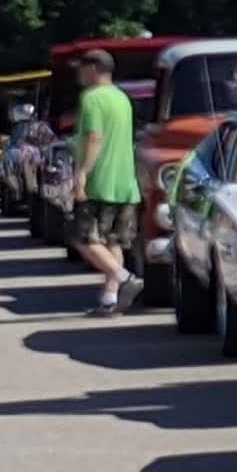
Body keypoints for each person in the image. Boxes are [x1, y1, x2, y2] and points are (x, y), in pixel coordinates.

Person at [65, 51, 144, 313]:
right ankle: (110, 299)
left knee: (82, 238)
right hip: (125, 182)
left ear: (95, 69)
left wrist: (82, 173)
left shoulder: (91, 99)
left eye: (82, 68)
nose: (78, 73)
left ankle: (125, 279)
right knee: (113, 242)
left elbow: (94, 138)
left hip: (100, 181)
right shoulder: (122, 98)